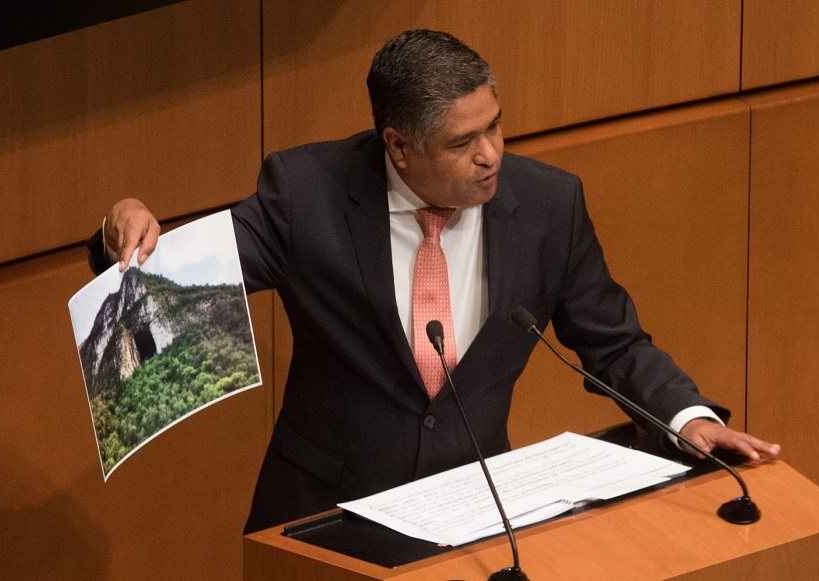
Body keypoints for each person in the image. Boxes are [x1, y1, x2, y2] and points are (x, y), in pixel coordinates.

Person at [90, 29, 780, 534]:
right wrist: (118, 229)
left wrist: (689, 418)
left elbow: (615, 342)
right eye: (462, 143)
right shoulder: (307, 197)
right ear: (398, 145)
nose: (491, 156)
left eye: (495, 126)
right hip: (326, 518)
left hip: (477, 516)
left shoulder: (547, 206)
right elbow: (162, 277)